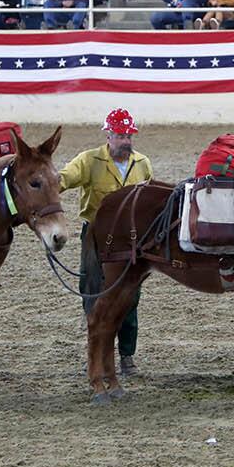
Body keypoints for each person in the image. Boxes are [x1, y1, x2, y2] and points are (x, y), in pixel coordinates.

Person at [62, 109, 154, 377]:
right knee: (92, 291)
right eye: (120, 135)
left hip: (131, 240)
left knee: (130, 297)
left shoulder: (142, 164)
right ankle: (96, 354)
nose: (125, 140)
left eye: (128, 135)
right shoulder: (88, 160)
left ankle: (126, 355)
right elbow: (64, 179)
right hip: (95, 235)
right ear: (108, 135)